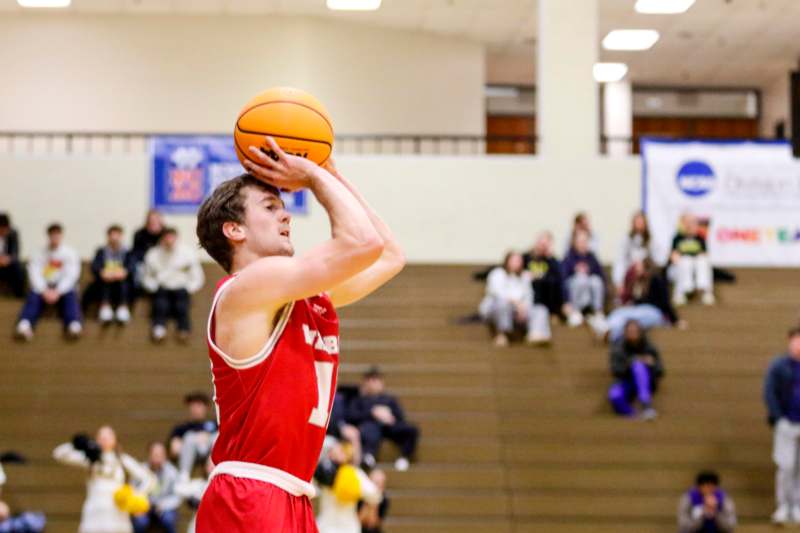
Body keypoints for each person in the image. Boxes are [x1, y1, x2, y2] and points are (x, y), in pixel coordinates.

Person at [193, 138, 404, 532]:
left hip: (293, 495)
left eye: (285, 208)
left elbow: (389, 254)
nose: (286, 217)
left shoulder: (301, 297)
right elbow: (362, 243)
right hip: (250, 494)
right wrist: (312, 174)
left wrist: (332, 172)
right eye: (271, 208)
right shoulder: (245, 289)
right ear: (234, 229)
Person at [53, 426, 154, 533]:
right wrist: (78, 444)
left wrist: (135, 494)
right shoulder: (90, 459)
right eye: (101, 437)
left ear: (115, 440)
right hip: (94, 513)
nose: (104, 439)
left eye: (108, 436)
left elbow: (149, 479)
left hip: (117, 515)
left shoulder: (122, 459)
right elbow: (58, 454)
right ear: (96, 440)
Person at [15, 223, 82, 341]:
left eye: (57, 235)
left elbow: (71, 275)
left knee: (71, 297)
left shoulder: (70, 253)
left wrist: (58, 291)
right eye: (52, 235)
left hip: (63, 289)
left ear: (61, 235)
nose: (55, 237)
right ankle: (24, 325)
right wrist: (44, 290)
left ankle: (74, 326)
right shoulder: (38, 253)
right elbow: (34, 273)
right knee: (33, 298)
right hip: (43, 288)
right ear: (48, 236)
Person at [348, 367, 419, 472]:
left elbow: (400, 416)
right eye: (369, 380)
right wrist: (372, 413)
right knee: (369, 429)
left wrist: (389, 416)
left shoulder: (389, 399)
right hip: (370, 427)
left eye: (375, 380)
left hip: (389, 426)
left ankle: (404, 457)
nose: (372, 384)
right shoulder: (359, 400)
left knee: (412, 430)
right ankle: (368, 456)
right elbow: (352, 416)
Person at [141, 228, 205, 342]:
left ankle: (184, 330)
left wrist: (189, 288)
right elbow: (146, 276)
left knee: (182, 307)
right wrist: (153, 287)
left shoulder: (188, 253)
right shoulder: (153, 254)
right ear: (162, 238)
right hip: (161, 288)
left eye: (171, 237)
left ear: (176, 238)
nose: (169, 240)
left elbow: (197, 275)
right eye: (166, 237)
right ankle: (158, 329)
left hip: (181, 289)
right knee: (160, 306)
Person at [764, 327, 800, 525]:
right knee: (786, 466)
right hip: (786, 422)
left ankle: (798, 505)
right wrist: (778, 418)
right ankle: (784, 505)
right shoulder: (779, 366)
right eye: (796, 341)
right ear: (789, 341)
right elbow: (769, 392)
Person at [605, 258, 684, 343]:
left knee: (628, 318)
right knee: (618, 313)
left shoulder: (656, 280)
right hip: (639, 309)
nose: (635, 269)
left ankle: (613, 335)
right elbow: (632, 299)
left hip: (653, 312)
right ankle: (606, 329)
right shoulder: (638, 281)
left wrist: (675, 320)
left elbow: (665, 302)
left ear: (645, 268)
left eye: (638, 267)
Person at [478, 251, 547, 346]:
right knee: (502, 303)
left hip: (516, 311)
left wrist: (523, 309)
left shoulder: (524, 277)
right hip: (495, 309)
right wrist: (516, 303)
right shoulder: (497, 273)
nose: (517, 263)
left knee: (540, 309)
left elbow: (529, 296)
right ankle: (502, 334)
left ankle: (535, 334)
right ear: (507, 261)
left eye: (519, 261)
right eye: (514, 260)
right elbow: (497, 293)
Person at [315, 440, 381, 533]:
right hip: (345, 527)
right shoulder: (356, 473)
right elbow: (374, 495)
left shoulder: (351, 473)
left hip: (328, 526)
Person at [607, 320, 663, 420]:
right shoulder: (619, 347)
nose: (632, 334)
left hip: (646, 381)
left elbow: (660, 370)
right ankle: (633, 415)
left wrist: (651, 364)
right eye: (629, 331)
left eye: (635, 331)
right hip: (626, 380)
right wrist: (631, 362)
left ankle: (646, 405)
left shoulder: (648, 346)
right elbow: (615, 369)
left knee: (638, 367)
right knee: (614, 395)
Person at [561, 229, 607, 332]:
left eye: (585, 241)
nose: (583, 244)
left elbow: (602, 277)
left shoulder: (592, 257)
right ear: (575, 243)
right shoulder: (569, 257)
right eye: (580, 241)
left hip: (589, 295)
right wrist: (566, 301)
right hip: (574, 293)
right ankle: (575, 312)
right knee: (581, 278)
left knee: (596, 280)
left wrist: (589, 270)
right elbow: (563, 280)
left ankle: (597, 311)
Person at [90, 225, 134, 325]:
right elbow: (95, 267)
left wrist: (124, 272)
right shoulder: (101, 251)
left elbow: (131, 267)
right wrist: (102, 272)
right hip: (105, 282)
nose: (114, 237)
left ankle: (123, 307)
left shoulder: (127, 252)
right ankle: (105, 307)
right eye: (112, 235)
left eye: (117, 235)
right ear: (108, 236)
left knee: (124, 282)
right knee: (104, 281)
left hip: (122, 282)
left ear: (121, 236)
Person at [168, 392, 218, 481]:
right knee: (189, 437)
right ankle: (184, 476)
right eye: (193, 406)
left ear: (205, 408)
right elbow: (174, 450)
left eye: (198, 405)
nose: (195, 409)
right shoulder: (181, 428)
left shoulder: (214, 424)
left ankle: (213, 471)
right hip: (190, 453)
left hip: (209, 453)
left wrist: (207, 437)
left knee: (217, 436)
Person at [132, 442, 180, 533]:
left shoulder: (172, 472)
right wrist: (140, 505)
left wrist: (163, 505)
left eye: (161, 454)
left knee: (169, 519)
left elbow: (177, 496)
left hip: (164, 507)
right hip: (144, 506)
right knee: (139, 522)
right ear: (149, 455)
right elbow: (133, 490)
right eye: (155, 454)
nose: (158, 457)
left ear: (165, 456)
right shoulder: (139, 470)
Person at [670, 213, 714, 306]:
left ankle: (704, 289)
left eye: (693, 223)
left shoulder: (700, 239)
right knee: (685, 260)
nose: (690, 225)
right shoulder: (677, 238)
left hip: (695, 267)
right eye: (687, 223)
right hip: (679, 267)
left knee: (702, 261)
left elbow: (704, 255)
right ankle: (682, 291)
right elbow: (674, 257)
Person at [523, 231, 566, 323]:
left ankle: (553, 313)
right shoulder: (526, 257)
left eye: (545, 245)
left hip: (546, 292)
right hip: (530, 290)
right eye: (541, 243)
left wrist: (550, 258)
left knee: (552, 282)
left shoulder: (551, 260)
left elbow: (559, 276)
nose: (542, 247)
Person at [612, 211, 652, 295]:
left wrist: (644, 265)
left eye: (641, 222)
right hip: (630, 273)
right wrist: (618, 282)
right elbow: (620, 260)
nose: (639, 225)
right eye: (637, 222)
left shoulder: (651, 240)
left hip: (646, 273)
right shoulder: (626, 240)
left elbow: (658, 258)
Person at [0, 213, 25, 298]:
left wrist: (8, 259)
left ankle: (19, 294)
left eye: (5, 230)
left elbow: (16, 252)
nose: (3, 232)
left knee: (17, 267)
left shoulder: (13, 233)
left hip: (8, 263)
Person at [358, 469, 389, 533]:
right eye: (375, 483)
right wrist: (367, 502)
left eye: (381, 484)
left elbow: (372, 524)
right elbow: (358, 522)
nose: (377, 486)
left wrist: (374, 503)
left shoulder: (384, 499)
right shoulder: (359, 496)